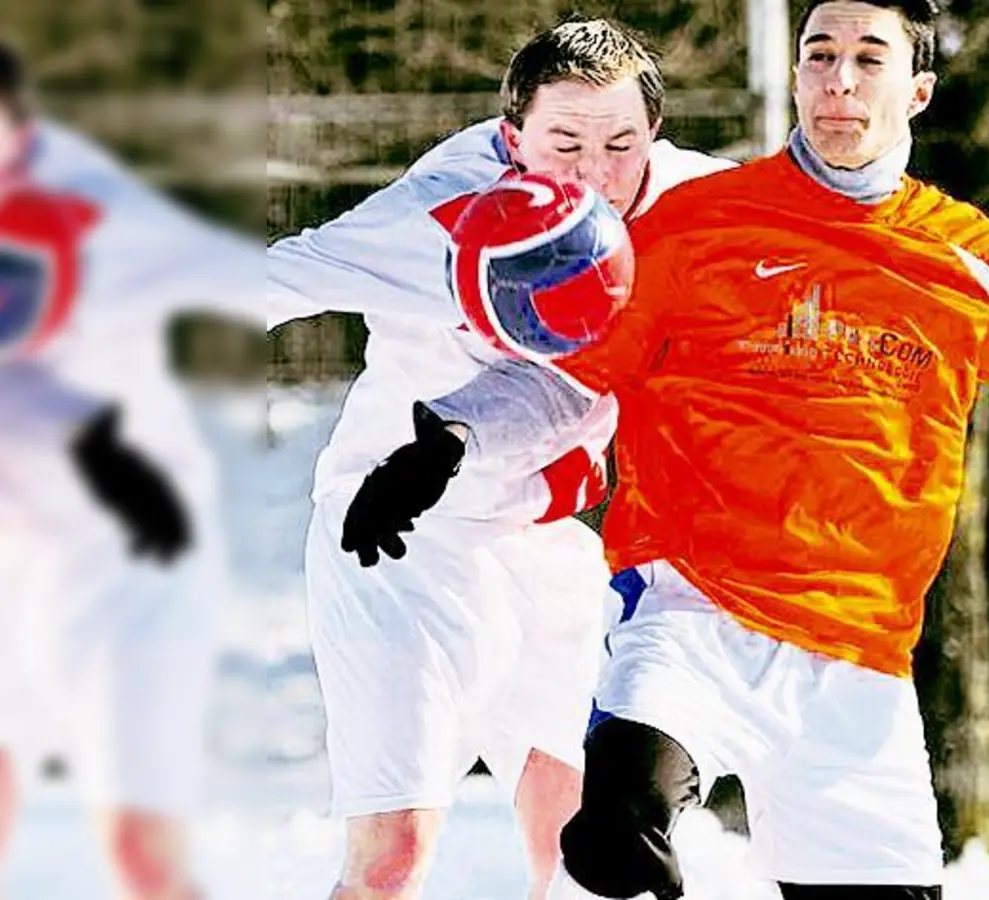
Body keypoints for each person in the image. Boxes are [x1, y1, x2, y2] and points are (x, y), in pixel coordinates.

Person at [351, 2, 989, 896]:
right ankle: (624, 824)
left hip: (858, 661)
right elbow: (568, 379)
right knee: (615, 828)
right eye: (819, 55)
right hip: (691, 616)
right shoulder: (697, 224)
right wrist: (444, 443)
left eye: (869, 58)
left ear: (916, 89)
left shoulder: (970, 260)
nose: (839, 81)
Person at [262, 20, 734, 900]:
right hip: (398, 533)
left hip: (546, 536)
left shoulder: (683, 201)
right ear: (513, 140)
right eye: (565, 144)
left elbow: (831, 225)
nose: (593, 173)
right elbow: (273, 281)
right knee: (395, 853)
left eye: (619, 144)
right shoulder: (436, 214)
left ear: (654, 140)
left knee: (591, 834)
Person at [0, 39, 280, 900]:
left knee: (143, 858)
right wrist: (87, 438)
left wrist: (434, 279)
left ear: (18, 128)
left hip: (133, 566)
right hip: (17, 556)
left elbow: (258, 278)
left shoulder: (93, 207)